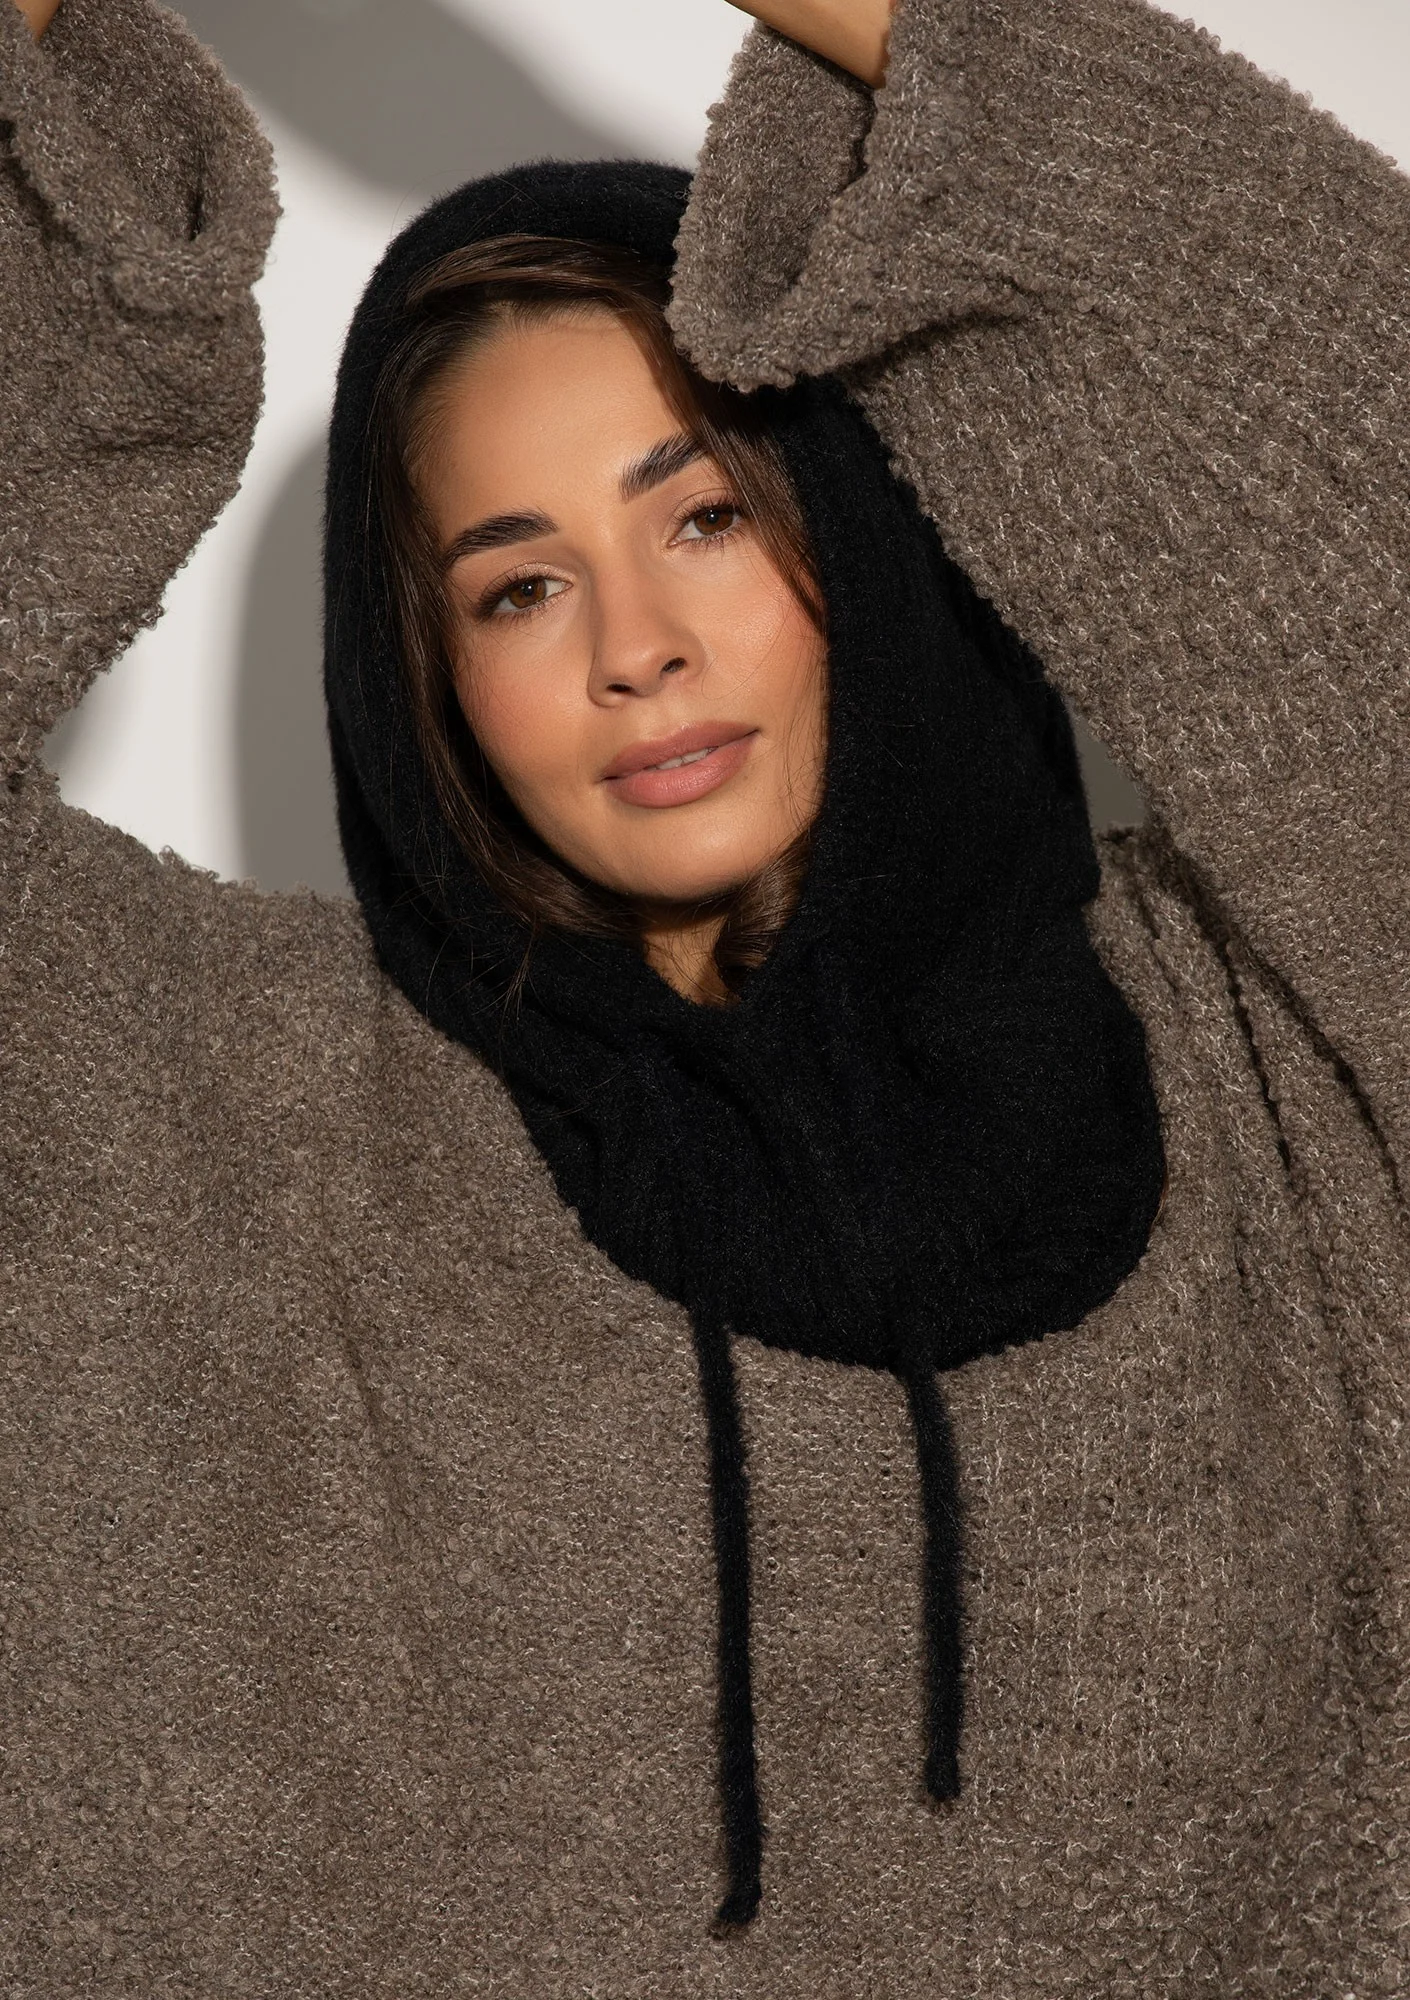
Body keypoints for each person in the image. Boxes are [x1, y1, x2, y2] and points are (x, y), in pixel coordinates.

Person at [0, 0, 1405, 1994]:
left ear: (859, 523)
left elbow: (1356, 478)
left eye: (706, 515)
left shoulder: (1268, 1072)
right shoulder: (214, 1109)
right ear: (424, 684)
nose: (635, 647)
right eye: (518, 584)